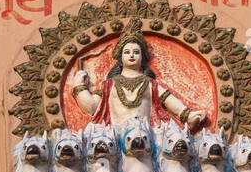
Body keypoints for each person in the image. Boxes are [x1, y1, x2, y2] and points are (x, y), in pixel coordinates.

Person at [71, 22, 206, 130]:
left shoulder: (150, 84)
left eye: (136, 52)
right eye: (127, 52)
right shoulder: (109, 85)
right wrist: (80, 86)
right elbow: (92, 107)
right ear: (120, 57)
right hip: (115, 136)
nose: (131, 55)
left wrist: (188, 115)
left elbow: (170, 101)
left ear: (142, 57)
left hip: (146, 136)